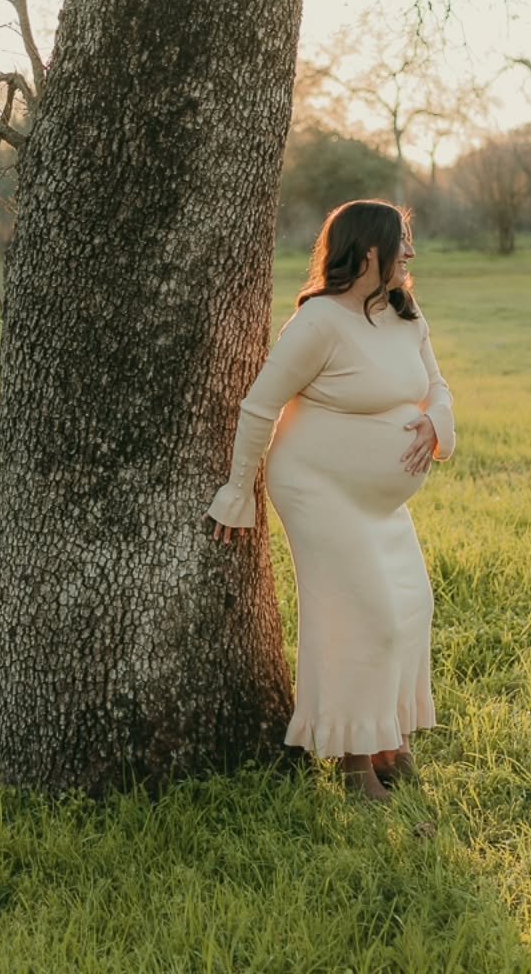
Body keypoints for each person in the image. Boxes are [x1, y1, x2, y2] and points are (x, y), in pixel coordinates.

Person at [205, 198, 457, 803]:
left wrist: (436, 425)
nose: (413, 253)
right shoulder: (319, 324)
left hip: (379, 503)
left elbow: (437, 386)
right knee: (363, 614)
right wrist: (240, 490)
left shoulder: (404, 313)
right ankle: (352, 764)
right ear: (369, 251)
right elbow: (260, 406)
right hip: (318, 488)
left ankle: (386, 739)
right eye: (404, 241)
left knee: (410, 606)